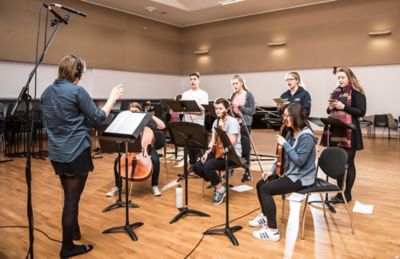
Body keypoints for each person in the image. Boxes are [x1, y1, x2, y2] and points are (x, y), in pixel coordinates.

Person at [41, 55, 124, 258]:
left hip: (57, 153)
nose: (83, 76)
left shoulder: (46, 92)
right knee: (71, 200)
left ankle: (74, 231)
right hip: (76, 152)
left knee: (69, 196)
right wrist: (112, 98)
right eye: (82, 72)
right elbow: (97, 117)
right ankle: (67, 247)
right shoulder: (77, 90)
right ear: (76, 72)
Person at [249, 103, 317, 242]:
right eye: (284, 115)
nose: (284, 118)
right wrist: (272, 170)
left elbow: (299, 161)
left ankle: (273, 231)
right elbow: (282, 156)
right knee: (260, 184)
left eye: (287, 115)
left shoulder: (306, 137)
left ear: (295, 116)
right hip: (291, 173)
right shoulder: (291, 132)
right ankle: (265, 215)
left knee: (266, 190)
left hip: (302, 178)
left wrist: (285, 143)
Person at [321, 67, 366, 204]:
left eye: (342, 77)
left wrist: (344, 107)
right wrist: (329, 107)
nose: (340, 80)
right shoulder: (336, 92)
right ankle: (339, 193)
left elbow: (361, 112)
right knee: (339, 163)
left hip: (350, 131)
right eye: (338, 78)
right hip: (336, 131)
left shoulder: (357, 92)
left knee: (349, 163)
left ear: (349, 78)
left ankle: (347, 194)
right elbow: (330, 110)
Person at [106, 102, 166, 197]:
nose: (134, 113)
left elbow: (162, 126)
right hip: (130, 149)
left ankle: (155, 185)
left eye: (136, 111)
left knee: (155, 160)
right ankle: (118, 186)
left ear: (141, 111)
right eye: (131, 111)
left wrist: (150, 115)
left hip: (146, 149)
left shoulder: (147, 121)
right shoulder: (127, 123)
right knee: (117, 160)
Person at [192, 98, 241, 205]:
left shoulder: (232, 122)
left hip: (232, 154)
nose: (218, 111)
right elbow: (212, 141)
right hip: (218, 152)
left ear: (227, 109)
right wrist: (206, 153)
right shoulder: (216, 121)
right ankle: (217, 182)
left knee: (208, 166)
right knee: (197, 166)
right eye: (216, 108)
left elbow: (231, 142)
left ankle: (219, 189)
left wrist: (223, 131)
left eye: (220, 108)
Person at [230, 74, 256, 182]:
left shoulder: (248, 95)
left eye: (236, 83)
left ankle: (247, 172)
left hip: (245, 124)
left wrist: (240, 107)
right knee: (232, 146)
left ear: (241, 83)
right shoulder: (233, 95)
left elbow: (252, 111)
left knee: (245, 148)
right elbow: (231, 111)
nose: (234, 86)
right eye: (233, 84)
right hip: (234, 125)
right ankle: (230, 169)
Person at [181, 72, 209, 170]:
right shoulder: (185, 94)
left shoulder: (203, 94)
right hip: (186, 122)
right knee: (189, 146)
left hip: (198, 124)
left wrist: (188, 110)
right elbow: (183, 110)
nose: (192, 81)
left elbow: (201, 112)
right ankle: (192, 164)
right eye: (191, 79)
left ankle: (201, 165)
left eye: (194, 79)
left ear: (198, 80)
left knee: (198, 147)